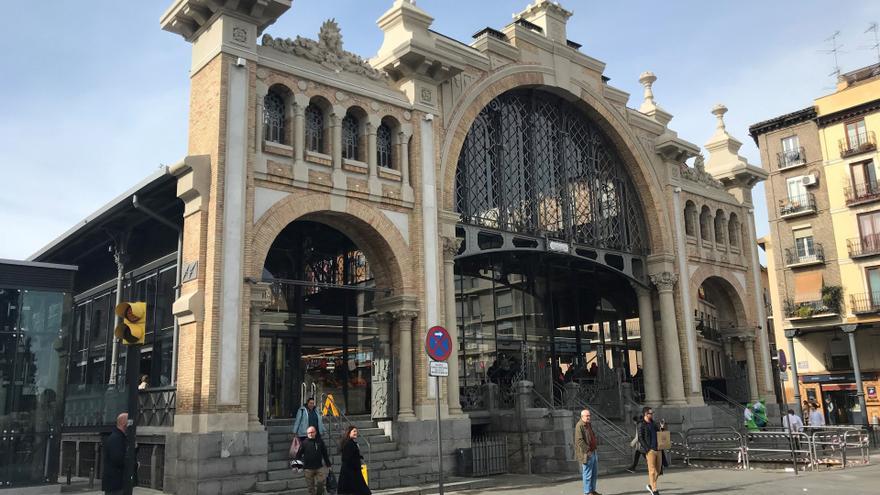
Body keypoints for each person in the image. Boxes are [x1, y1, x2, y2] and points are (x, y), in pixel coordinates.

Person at [295, 426, 332, 495]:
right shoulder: (304, 443)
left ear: (315, 432)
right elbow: (298, 454)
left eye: (312, 432)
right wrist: (296, 465)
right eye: (308, 433)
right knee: (310, 488)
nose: (310, 434)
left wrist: (328, 464)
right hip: (308, 469)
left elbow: (325, 453)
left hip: (319, 467)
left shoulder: (320, 441)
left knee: (321, 483)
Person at [337, 426, 370, 495]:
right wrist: (357, 463)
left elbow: (352, 455)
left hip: (352, 472)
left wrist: (359, 457)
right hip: (351, 473)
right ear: (349, 433)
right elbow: (347, 458)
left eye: (356, 431)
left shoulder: (350, 443)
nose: (356, 433)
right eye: (354, 431)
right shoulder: (349, 444)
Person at [574, 409, 600, 495]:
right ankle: (587, 492)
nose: (589, 417)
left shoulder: (588, 424)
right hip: (587, 453)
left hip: (593, 451)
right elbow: (579, 440)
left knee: (594, 473)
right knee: (587, 474)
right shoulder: (579, 425)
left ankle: (592, 490)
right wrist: (587, 450)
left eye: (589, 415)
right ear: (582, 417)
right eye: (587, 416)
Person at [102, 413, 128, 495]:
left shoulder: (120, 437)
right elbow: (118, 459)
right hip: (115, 484)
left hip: (117, 483)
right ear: (124, 423)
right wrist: (133, 465)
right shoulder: (116, 438)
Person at [638, 407, 661, 495]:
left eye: (652, 413)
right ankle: (654, 490)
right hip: (650, 450)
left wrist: (662, 427)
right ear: (645, 414)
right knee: (652, 471)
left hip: (658, 449)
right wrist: (647, 449)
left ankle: (651, 485)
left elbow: (659, 433)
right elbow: (640, 438)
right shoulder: (641, 424)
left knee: (658, 470)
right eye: (650, 413)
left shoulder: (653, 423)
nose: (652, 415)